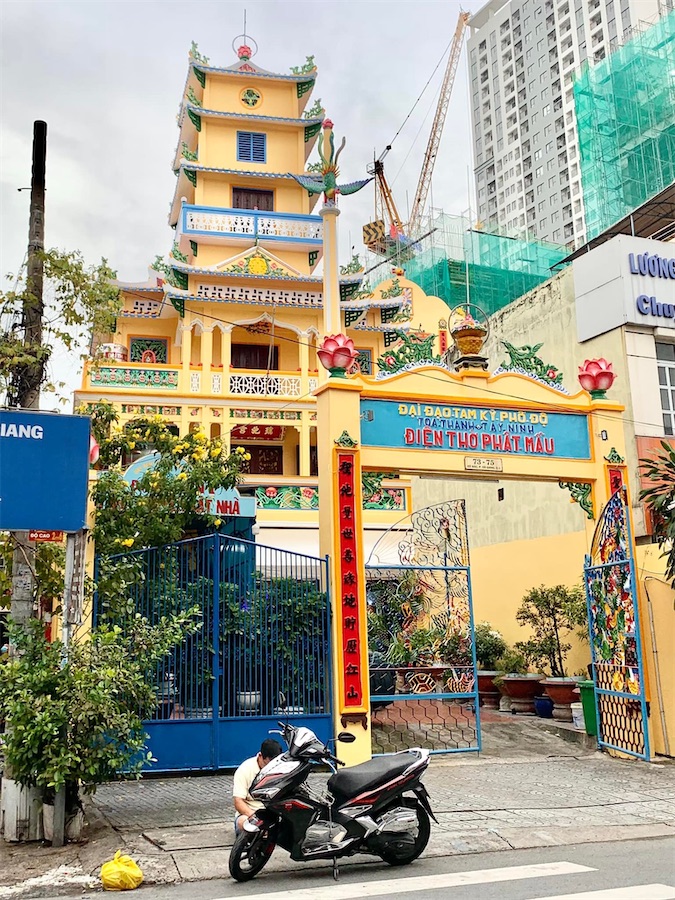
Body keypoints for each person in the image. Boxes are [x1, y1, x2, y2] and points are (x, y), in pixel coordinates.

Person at [233, 738, 282, 835]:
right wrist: (255, 817)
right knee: (244, 823)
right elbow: (238, 801)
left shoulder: (281, 768)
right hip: (251, 814)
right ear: (260, 756)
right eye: (268, 764)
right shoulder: (245, 769)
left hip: (273, 814)